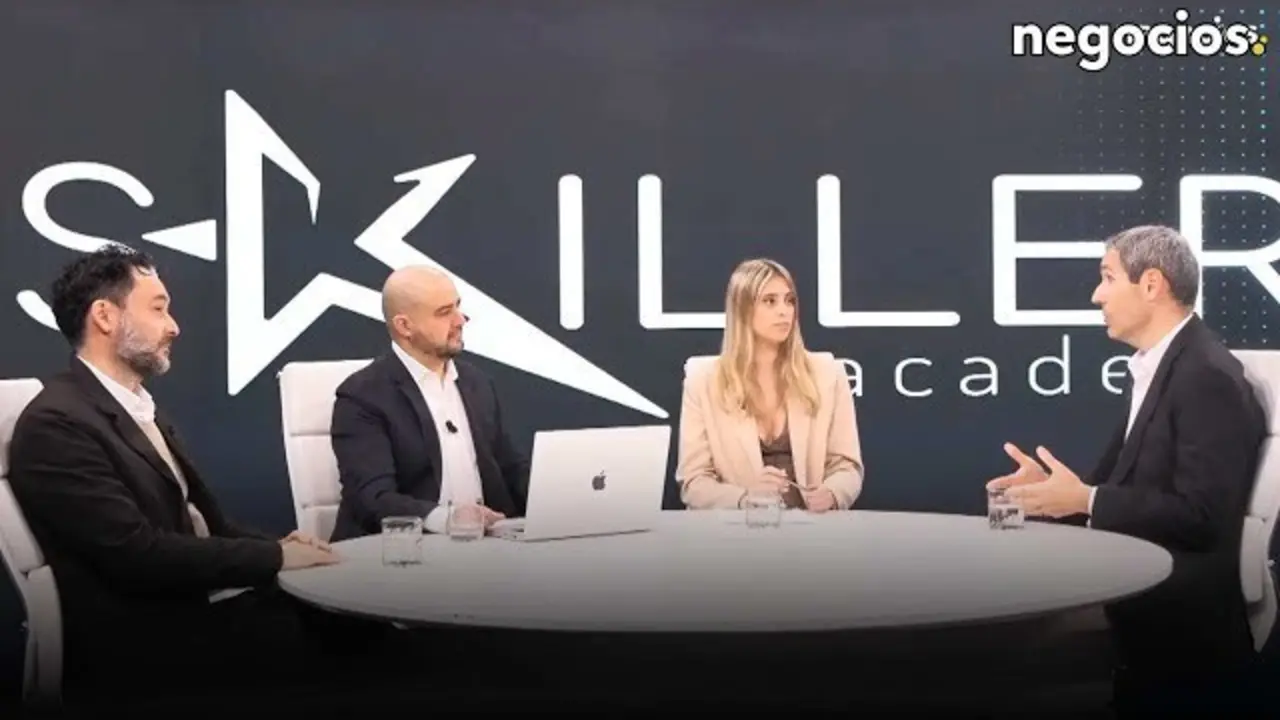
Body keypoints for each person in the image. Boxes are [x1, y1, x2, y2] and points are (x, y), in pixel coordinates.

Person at [6, 245, 341, 704]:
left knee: (344, 621)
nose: (174, 326)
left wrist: (281, 547)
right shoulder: (58, 424)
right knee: (346, 646)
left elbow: (206, 525)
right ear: (104, 316)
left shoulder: (136, 408)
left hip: (197, 612)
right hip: (146, 649)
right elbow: (138, 555)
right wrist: (275, 559)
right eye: (158, 308)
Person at [986, 225, 1266, 713]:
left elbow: (1202, 517)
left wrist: (1086, 499)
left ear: (1152, 284)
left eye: (1108, 277)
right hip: (1141, 603)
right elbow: (1117, 495)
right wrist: (1051, 494)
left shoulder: (1206, 376)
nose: (1096, 295)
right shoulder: (1160, 368)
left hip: (1179, 642)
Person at [329, 265, 528, 541]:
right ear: (404, 326)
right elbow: (373, 498)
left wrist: (562, 503)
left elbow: (510, 467)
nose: (460, 320)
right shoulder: (362, 397)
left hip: (486, 545)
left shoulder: (476, 382)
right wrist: (449, 519)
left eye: (458, 306)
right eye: (444, 312)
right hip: (403, 549)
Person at [676, 258, 864, 511]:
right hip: (736, 529)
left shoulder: (828, 373)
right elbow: (694, 482)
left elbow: (847, 467)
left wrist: (832, 493)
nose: (784, 311)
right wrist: (744, 498)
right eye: (769, 301)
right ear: (742, 309)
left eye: (789, 301)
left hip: (813, 528)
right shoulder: (703, 379)